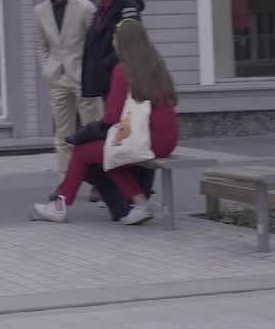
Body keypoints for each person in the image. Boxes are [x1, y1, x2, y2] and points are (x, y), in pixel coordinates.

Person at [32, 19, 178, 226]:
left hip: (145, 140)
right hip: (167, 141)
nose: (111, 41)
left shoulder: (122, 70)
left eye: (114, 37)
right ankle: (140, 204)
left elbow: (112, 117)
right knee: (109, 155)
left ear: (122, 42)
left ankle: (59, 207)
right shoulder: (157, 67)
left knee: (84, 153)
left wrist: (86, 132)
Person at [81, 0, 149, 198]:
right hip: (107, 81)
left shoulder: (125, 4)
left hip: (118, 81)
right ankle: (111, 185)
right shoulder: (106, 3)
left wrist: (105, 65)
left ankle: (130, 189)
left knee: (121, 134)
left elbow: (129, 43)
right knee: (115, 134)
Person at [35, 0, 100, 177]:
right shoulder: (40, 11)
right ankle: (66, 180)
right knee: (62, 133)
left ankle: (99, 180)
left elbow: (96, 44)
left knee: (93, 129)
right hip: (57, 77)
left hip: (84, 78)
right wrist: (47, 67)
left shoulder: (85, 7)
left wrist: (91, 72)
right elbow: (41, 44)